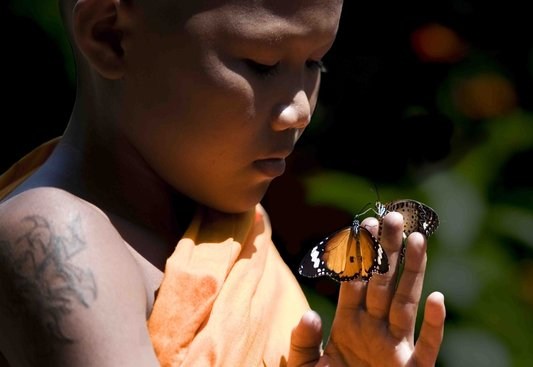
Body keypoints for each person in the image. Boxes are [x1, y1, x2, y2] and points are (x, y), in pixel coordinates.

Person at [0, 0, 446, 366]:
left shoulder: (235, 229)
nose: (300, 110)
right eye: (262, 64)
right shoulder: (54, 236)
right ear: (110, 36)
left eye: (315, 64)